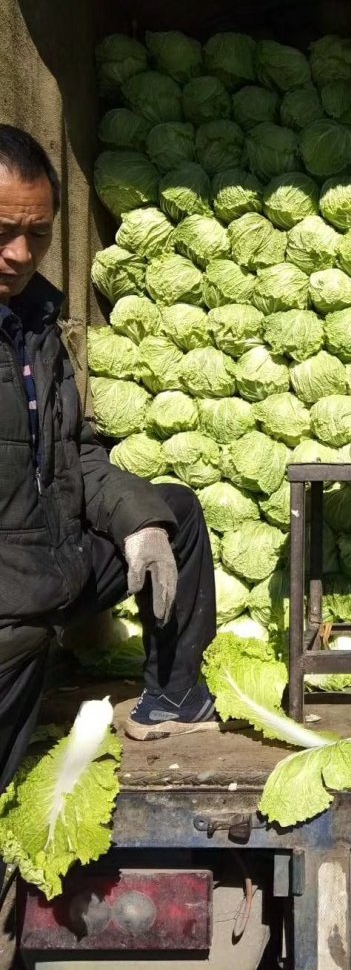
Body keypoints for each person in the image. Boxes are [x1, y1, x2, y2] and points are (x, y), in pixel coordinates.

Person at [0, 125, 221, 793]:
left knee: (174, 513)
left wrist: (140, 520)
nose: (19, 253)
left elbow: (75, 453)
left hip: (51, 568)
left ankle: (176, 699)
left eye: (37, 234)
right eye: (3, 229)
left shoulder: (34, 328)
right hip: (9, 606)